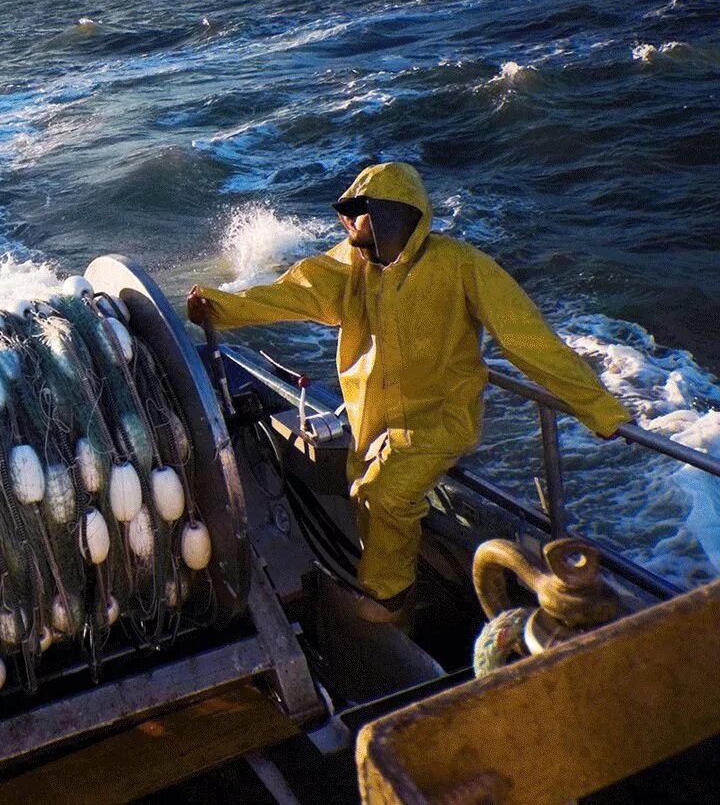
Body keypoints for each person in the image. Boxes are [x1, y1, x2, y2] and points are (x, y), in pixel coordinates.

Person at [187, 163, 630, 622]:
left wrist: (600, 410)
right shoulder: (349, 266)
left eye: (367, 214)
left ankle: (391, 597)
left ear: (398, 218)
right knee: (362, 491)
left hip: (440, 417)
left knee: (385, 494)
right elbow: (287, 295)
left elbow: (528, 340)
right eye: (353, 215)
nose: (357, 226)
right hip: (371, 415)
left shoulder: (461, 266)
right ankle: (395, 597)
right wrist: (218, 308)